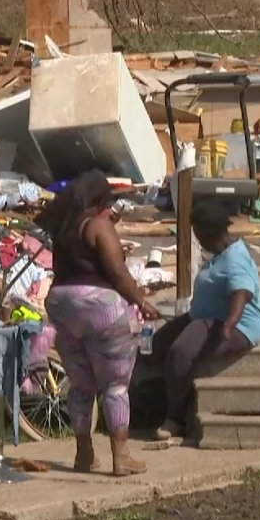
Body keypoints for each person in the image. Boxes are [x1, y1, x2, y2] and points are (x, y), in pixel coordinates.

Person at [37, 169, 161, 477]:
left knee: (81, 385)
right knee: (115, 386)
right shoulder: (98, 225)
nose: (110, 209)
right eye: (107, 203)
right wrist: (142, 302)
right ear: (98, 202)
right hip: (100, 307)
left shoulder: (64, 230)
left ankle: (84, 454)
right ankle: (122, 456)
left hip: (62, 304)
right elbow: (118, 273)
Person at [150, 200, 260, 441]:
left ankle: (175, 418)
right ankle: (169, 397)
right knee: (159, 341)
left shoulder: (235, 259)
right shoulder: (219, 253)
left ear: (208, 232)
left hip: (235, 325)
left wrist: (230, 324)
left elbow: (241, 292)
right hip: (205, 317)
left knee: (180, 352)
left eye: (197, 234)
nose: (197, 239)